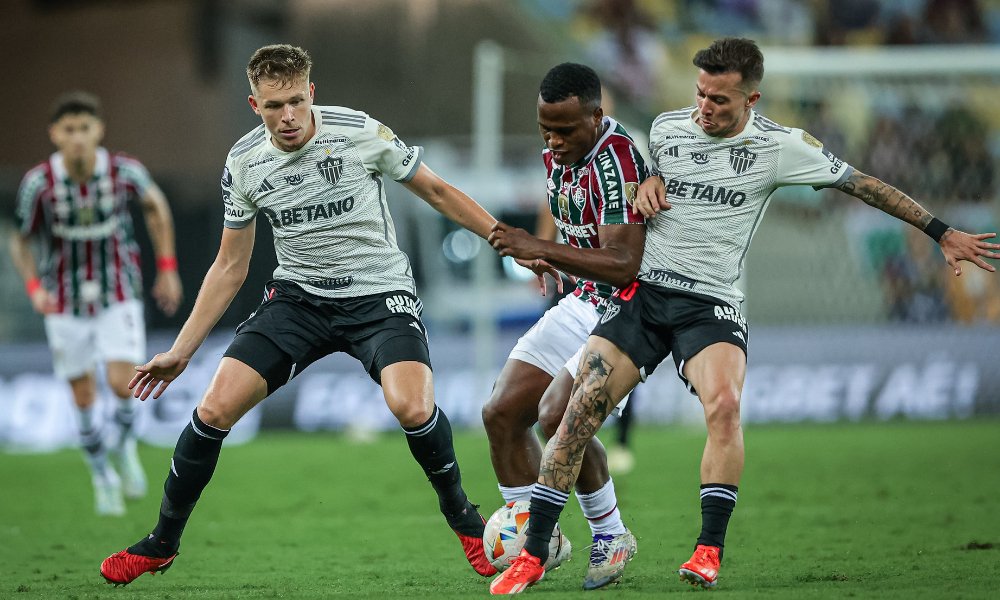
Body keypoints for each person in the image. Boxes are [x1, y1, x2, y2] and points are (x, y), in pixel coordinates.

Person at [488, 37, 1000, 594]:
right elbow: (641, 186)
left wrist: (941, 232)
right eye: (701, 94)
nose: (704, 108)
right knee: (572, 411)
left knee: (726, 405)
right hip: (646, 297)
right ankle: (534, 554)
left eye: (720, 101)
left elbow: (864, 185)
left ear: (751, 99)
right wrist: (650, 184)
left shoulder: (782, 147)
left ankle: (708, 551)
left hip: (711, 304)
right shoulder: (666, 129)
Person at [99, 43, 501, 586]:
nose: (287, 117)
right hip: (298, 300)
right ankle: (162, 542)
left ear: (311, 93)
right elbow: (229, 266)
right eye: (272, 106)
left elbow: (434, 189)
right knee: (213, 409)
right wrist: (181, 351)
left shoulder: (357, 131)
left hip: (377, 295)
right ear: (254, 104)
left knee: (410, 406)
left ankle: (465, 520)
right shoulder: (244, 162)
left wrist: (506, 238)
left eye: (294, 101)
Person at [482, 62, 647, 590]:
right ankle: (538, 536)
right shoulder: (559, 153)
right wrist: (548, 257)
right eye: (544, 129)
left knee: (557, 415)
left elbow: (624, 263)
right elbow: (575, 235)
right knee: (502, 412)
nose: (553, 140)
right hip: (581, 301)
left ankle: (611, 533)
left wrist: (539, 246)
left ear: (598, 117)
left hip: (627, 307)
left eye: (566, 129)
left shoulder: (618, 161)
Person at [10, 92, 183, 516]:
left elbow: (156, 206)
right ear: (55, 135)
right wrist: (34, 287)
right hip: (64, 302)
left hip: (118, 294)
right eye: (69, 130)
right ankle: (101, 474)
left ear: (98, 131)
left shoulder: (124, 171)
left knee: (122, 382)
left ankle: (123, 448)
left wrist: (166, 266)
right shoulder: (39, 184)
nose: (78, 138)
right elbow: (21, 240)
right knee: (83, 396)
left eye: (84, 128)